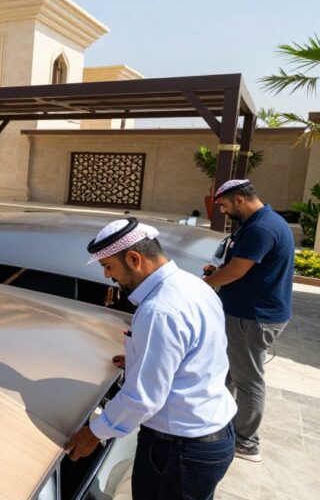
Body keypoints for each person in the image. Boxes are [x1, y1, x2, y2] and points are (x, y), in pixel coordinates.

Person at [64, 218, 235, 500]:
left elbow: (143, 398)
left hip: (179, 451)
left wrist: (94, 433)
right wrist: (142, 358)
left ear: (134, 259)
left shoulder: (159, 310)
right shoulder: (193, 285)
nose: (107, 276)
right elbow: (195, 351)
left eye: (109, 267)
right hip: (211, 435)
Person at [203, 179, 294, 463]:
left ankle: (246, 442)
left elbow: (236, 271)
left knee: (248, 380)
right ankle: (223, 424)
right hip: (249, 313)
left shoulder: (261, 228)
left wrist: (204, 284)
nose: (224, 210)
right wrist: (218, 270)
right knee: (231, 372)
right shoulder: (260, 222)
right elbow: (240, 264)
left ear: (240, 199)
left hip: (253, 317)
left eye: (225, 205)